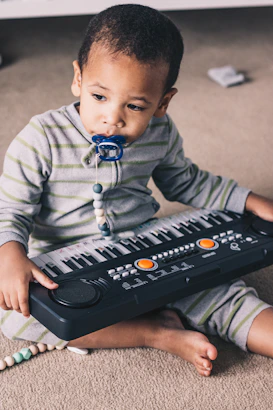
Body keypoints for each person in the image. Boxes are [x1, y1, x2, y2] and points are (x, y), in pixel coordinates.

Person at [1, 4, 273, 377]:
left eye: (134, 105)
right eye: (99, 97)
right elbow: (11, 211)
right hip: (66, 265)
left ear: (162, 103)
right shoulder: (41, 139)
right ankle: (155, 333)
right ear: (78, 79)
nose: (113, 118)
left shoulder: (160, 132)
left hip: (147, 247)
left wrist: (251, 200)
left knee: (214, 287)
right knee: (16, 315)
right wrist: (11, 254)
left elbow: (186, 180)